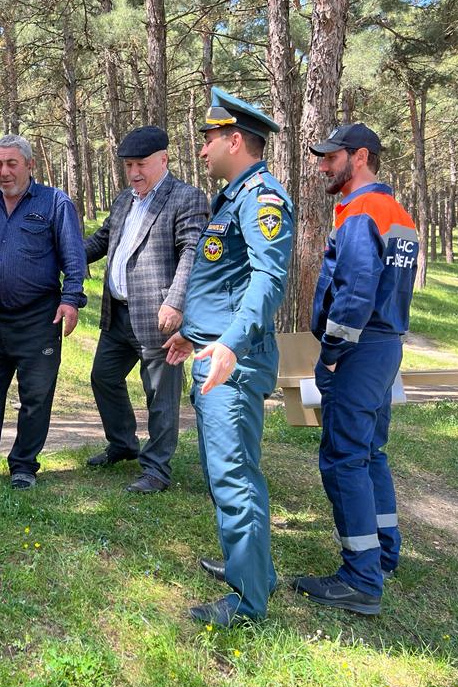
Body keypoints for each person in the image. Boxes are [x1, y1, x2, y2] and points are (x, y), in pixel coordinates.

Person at [164, 87, 294, 626]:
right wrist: (194, 335)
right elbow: (225, 284)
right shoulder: (233, 198)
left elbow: (268, 279)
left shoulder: (263, 198)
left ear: (235, 140)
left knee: (234, 476)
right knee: (230, 472)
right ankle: (250, 568)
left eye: (210, 139)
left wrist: (229, 346)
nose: (202, 150)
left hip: (233, 362)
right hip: (214, 351)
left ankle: (247, 602)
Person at [291, 124, 418, 616]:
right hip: (386, 347)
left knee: (344, 457)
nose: (323, 166)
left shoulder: (363, 210)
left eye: (331, 157)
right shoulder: (396, 212)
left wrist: (330, 352)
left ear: (359, 157)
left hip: (360, 351)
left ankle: (360, 577)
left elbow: (357, 290)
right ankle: (383, 553)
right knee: (369, 453)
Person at [0, 135, 87, 490]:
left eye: (12, 163)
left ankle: (24, 466)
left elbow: (74, 256)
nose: (4, 171)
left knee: (36, 394)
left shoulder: (55, 202)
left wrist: (71, 299)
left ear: (30, 165)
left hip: (39, 317)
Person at [84, 126, 208, 493]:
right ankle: (123, 443)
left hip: (159, 316)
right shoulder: (125, 200)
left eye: (142, 164)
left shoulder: (186, 197)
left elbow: (192, 253)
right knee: (103, 377)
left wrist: (176, 301)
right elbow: (101, 241)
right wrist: (61, 256)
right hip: (118, 315)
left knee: (161, 395)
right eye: (128, 165)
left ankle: (156, 469)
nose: (135, 172)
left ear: (164, 159)